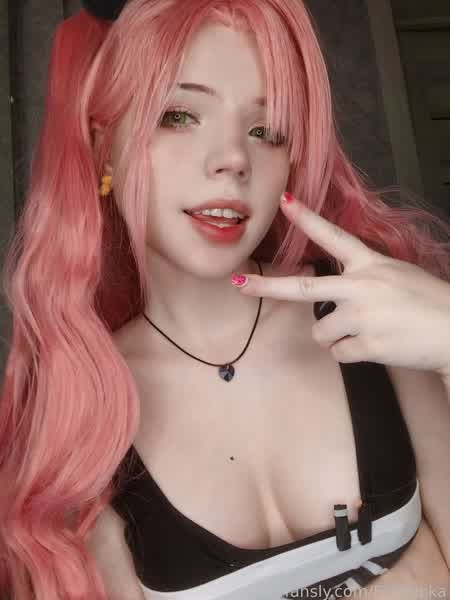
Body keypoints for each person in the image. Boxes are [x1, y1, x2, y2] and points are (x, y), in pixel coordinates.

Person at [0, 1, 449, 599]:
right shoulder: (82, 406)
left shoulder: (366, 311)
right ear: (104, 148)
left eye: (267, 131)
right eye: (180, 116)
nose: (235, 159)